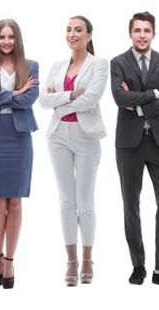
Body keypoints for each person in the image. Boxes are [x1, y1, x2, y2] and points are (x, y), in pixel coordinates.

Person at [110, 11, 159, 290]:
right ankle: (138, 265)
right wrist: (155, 94)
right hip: (128, 144)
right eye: (137, 30)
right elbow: (119, 98)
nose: (142, 35)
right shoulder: (118, 62)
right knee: (131, 203)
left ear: (154, 33)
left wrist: (138, 104)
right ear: (130, 33)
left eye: (147, 30)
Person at [41, 15, 108, 287]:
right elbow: (44, 101)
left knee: (85, 201)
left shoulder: (99, 65)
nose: (72, 34)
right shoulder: (58, 66)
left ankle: (88, 258)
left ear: (89, 35)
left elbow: (92, 98)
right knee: (66, 200)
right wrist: (69, 96)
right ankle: (71, 260)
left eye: (78, 30)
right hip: (58, 135)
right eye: (68, 29)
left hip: (86, 136)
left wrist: (58, 102)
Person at [0, 19, 39, 290]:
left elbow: (29, 99)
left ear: (17, 39)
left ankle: (10, 260)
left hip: (19, 137)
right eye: (2, 37)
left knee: (15, 202)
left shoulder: (31, 66)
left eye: (11, 36)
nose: (6, 41)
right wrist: (15, 91)